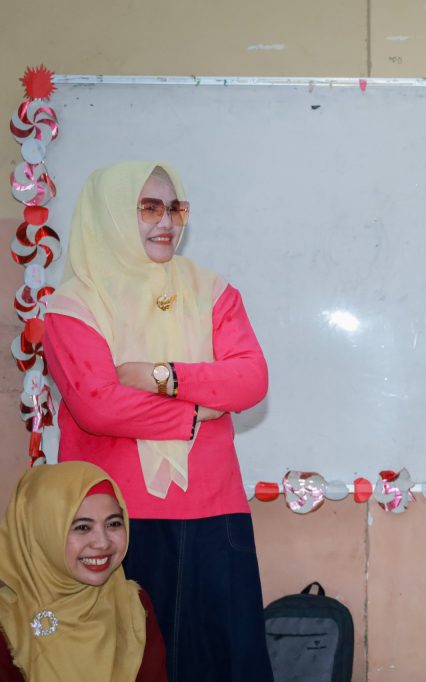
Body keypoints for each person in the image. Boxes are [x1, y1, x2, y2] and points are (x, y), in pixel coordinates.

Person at [42, 161, 273, 681]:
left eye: (174, 208)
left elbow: (250, 379)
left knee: (224, 663)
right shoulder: (73, 305)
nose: (166, 221)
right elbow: (97, 405)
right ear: (111, 214)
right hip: (115, 521)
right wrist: (195, 413)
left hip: (215, 512)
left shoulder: (212, 291)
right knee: (128, 664)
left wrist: (161, 375)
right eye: (148, 208)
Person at [0, 461, 167, 681]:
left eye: (113, 523)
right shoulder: (8, 621)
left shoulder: (133, 606)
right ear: (43, 532)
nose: (102, 542)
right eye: (82, 527)